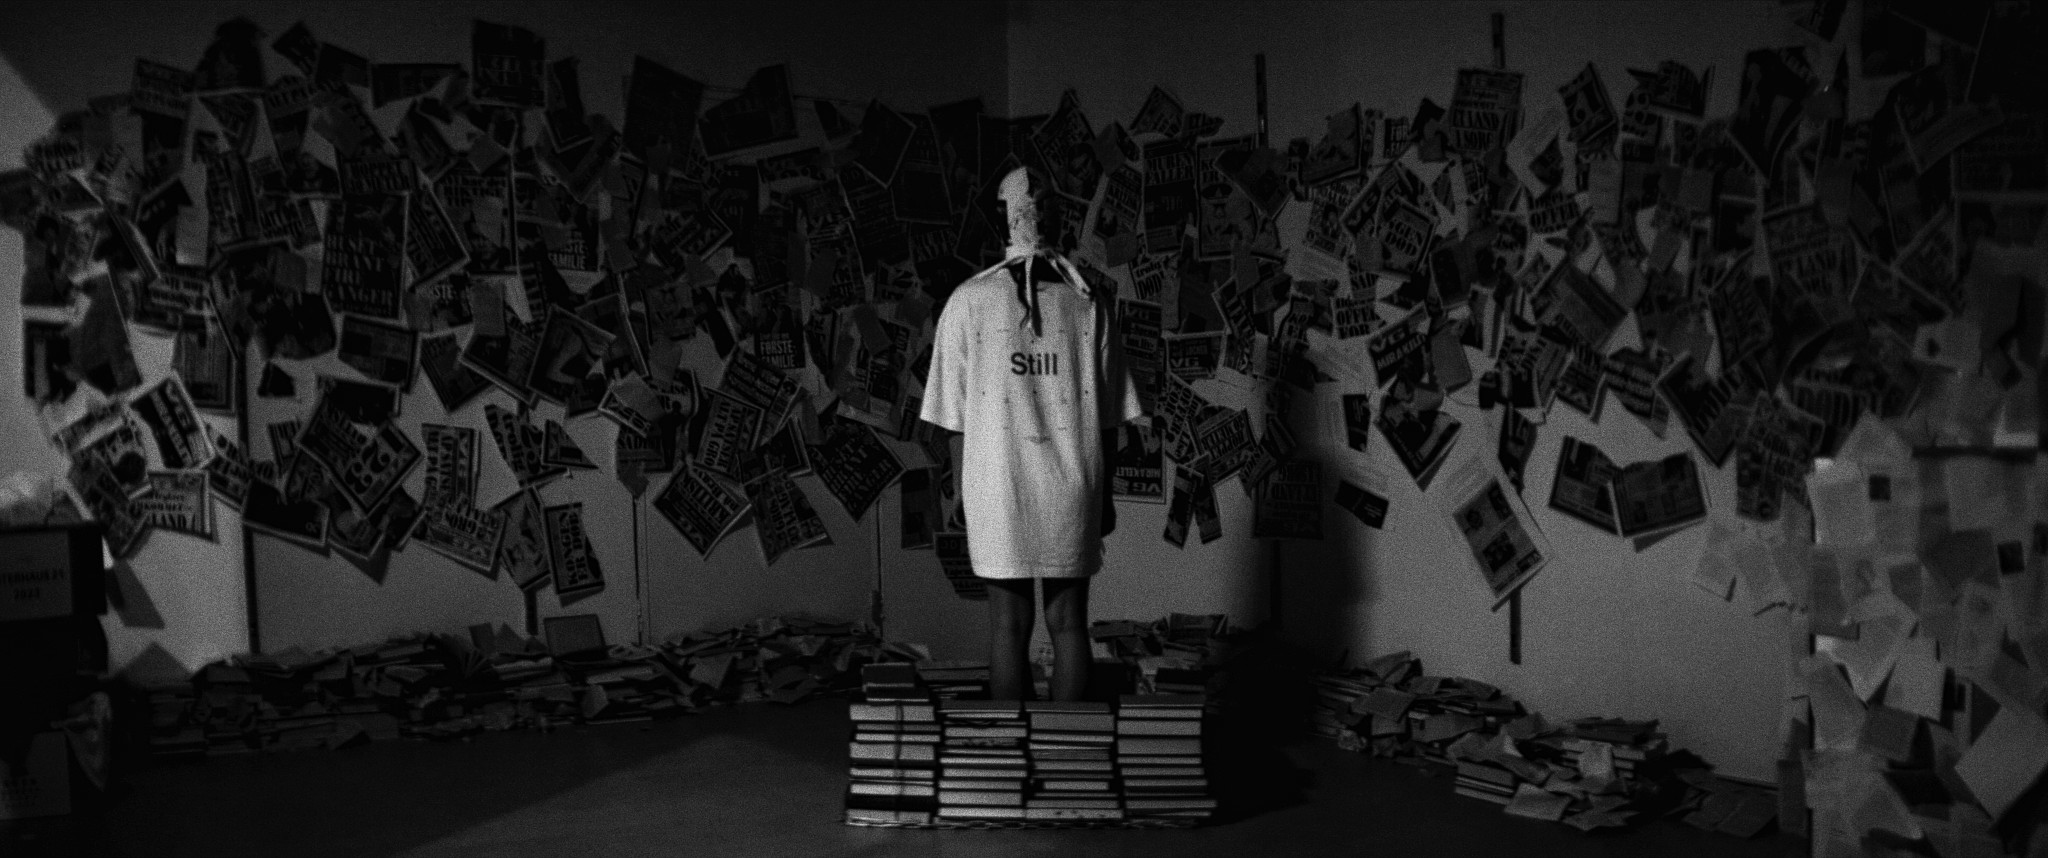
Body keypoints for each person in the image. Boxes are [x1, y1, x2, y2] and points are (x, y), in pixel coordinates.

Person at [920, 165, 1142, 701]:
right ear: (1058, 218)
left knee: (1007, 628)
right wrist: (1105, 497)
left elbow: (954, 418)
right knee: (1069, 625)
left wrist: (961, 491)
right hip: (1072, 485)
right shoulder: (1088, 302)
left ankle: (1011, 749)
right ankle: (1068, 749)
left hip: (998, 486)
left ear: (1003, 219)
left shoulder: (967, 301)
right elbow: (1108, 420)